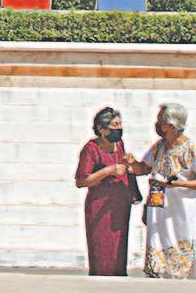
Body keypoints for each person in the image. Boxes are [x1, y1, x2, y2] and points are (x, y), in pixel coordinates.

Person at [133, 103, 196, 279]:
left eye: (161, 121)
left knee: (181, 248)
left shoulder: (190, 148)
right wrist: (132, 163)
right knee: (158, 245)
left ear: (171, 124)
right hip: (158, 208)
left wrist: (178, 184)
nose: (158, 125)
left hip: (181, 211)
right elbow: (143, 168)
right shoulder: (159, 147)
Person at [76, 106, 137, 276]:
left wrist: (129, 164)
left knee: (119, 249)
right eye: (114, 126)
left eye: (120, 125)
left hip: (120, 205)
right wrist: (107, 171)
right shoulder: (91, 149)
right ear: (101, 129)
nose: (118, 129)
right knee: (102, 248)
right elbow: (81, 180)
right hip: (100, 206)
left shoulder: (119, 144)